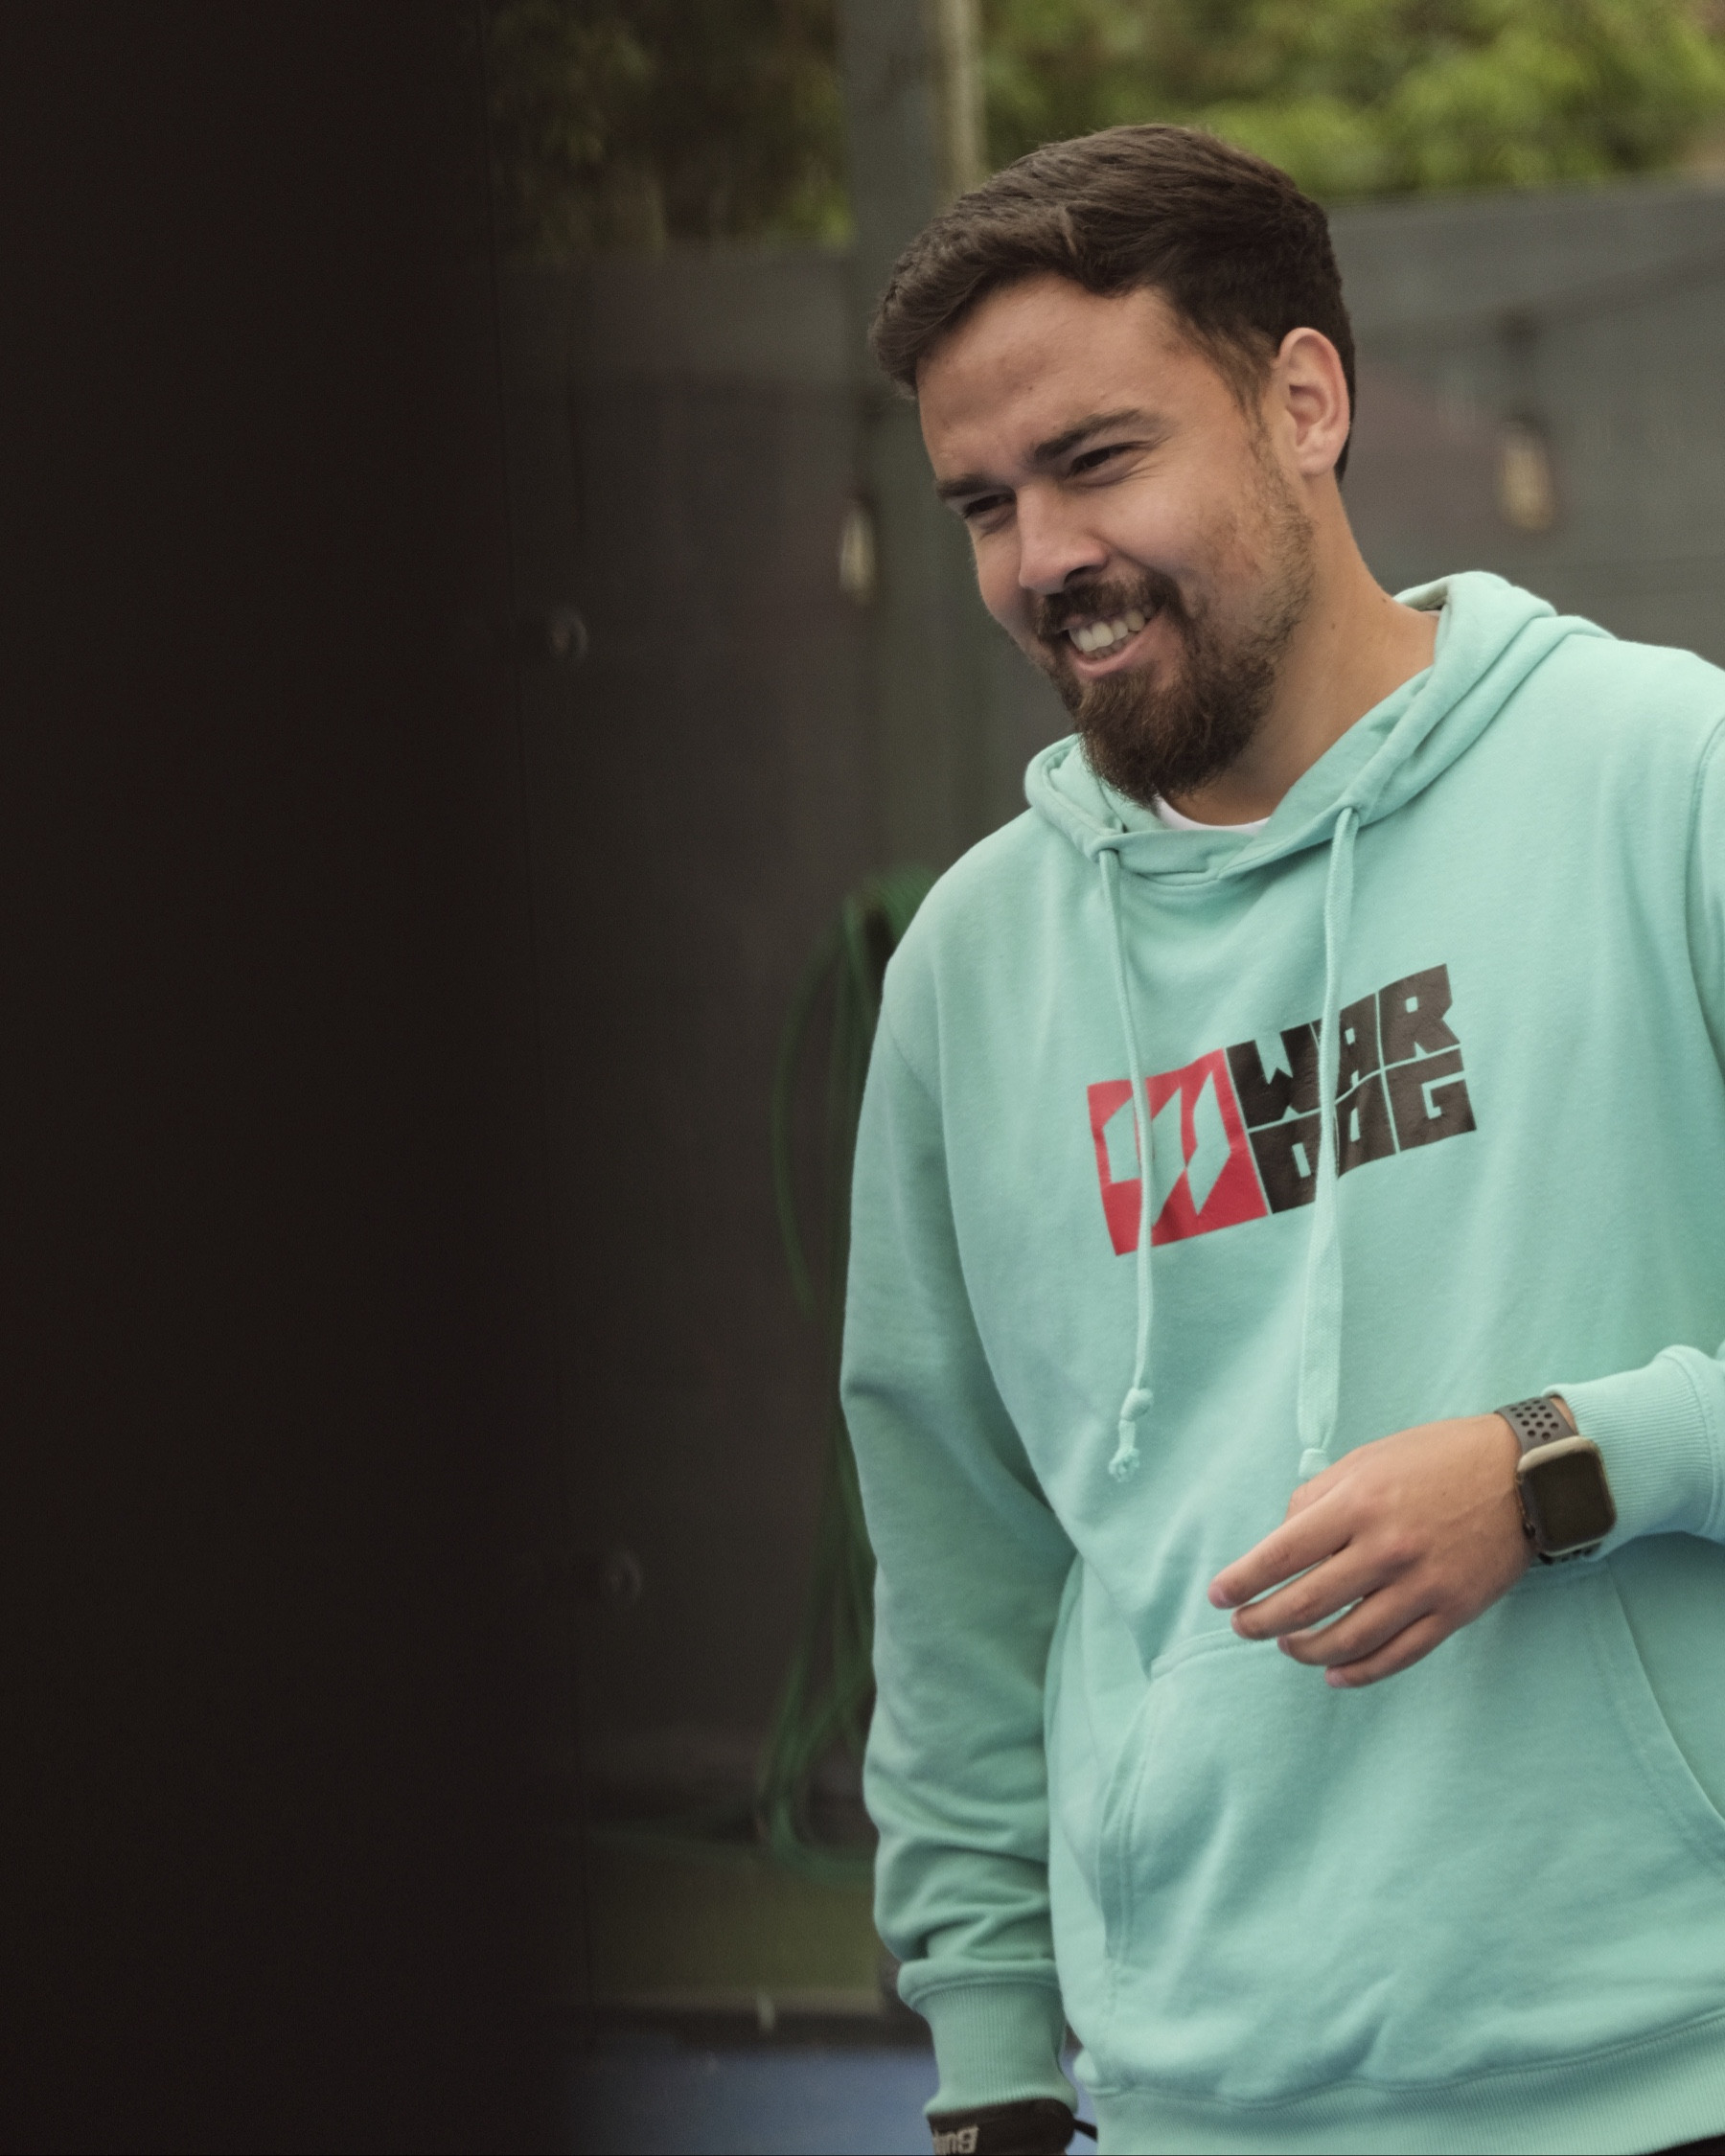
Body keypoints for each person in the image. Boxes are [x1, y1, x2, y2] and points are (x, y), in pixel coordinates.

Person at [840, 125, 1725, 2156]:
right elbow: (958, 1559)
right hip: (1200, 2103)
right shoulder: (970, 970)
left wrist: (1568, 1464)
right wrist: (993, 2062)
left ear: (1304, 402)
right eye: (984, 503)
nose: (1042, 556)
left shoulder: (1670, 777)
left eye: (1098, 459)